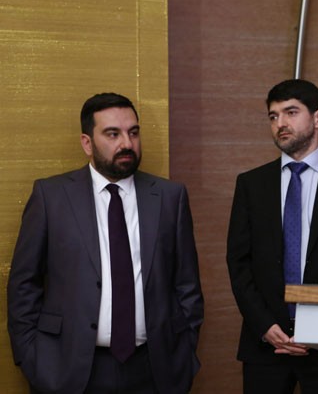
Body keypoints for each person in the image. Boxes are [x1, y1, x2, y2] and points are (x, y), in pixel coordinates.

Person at [7, 93, 204, 393]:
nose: (127, 143)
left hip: (154, 369)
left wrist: (184, 351)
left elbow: (187, 284)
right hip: (70, 371)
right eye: (113, 134)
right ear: (87, 143)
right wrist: (33, 359)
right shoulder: (51, 197)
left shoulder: (169, 197)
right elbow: (24, 285)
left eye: (133, 132)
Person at [227, 79, 318, 394]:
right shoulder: (251, 185)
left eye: (291, 112)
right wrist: (265, 326)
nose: (280, 123)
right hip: (265, 345)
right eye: (273, 116)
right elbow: (239, 264)